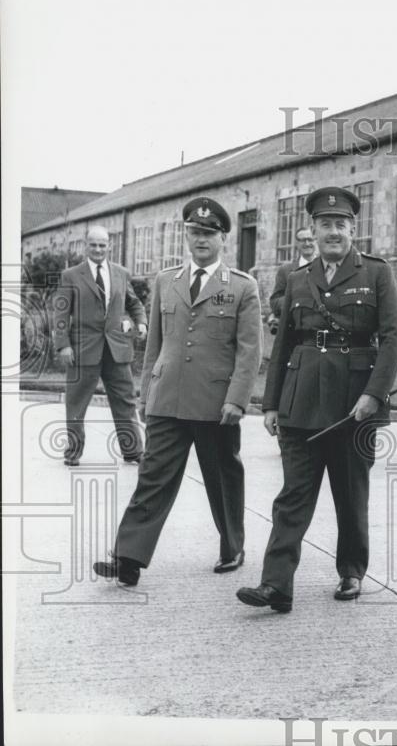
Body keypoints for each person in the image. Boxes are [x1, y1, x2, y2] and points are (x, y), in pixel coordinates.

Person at [237, 186, 397, 613]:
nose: (333, 232)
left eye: (341, 225)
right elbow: (286, 345)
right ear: (312, 229)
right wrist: (271, 403)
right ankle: (276, 586)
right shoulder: (297, 279)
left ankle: (351, 572)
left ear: (353, 229)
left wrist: (374, 394)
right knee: (292, 497)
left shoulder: (377, 274)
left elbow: (392, 339)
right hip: (301, 401)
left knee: (351, 496)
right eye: (325, 224)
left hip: (354, 406)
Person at [92, 198, 262, 586]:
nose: (201, 240)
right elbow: (156, 344)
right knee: (152, 477)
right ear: (187, 236)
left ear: (223, 239)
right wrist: (146, 391)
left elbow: (250, 351)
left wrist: (237, 399)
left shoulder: (241, 287)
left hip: (215, 402)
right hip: (167, 397)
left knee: (221, 478)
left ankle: (232, 546)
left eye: (209, 233)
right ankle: (128, 557)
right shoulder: (167, 281)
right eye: (195, 232)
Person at [51, 226, 147, 466]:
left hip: (116, 349)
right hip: (82, 349)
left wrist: (142, 323)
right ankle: (73, 452)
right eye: (93, 244)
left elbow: (134, 303)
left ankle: (133, 451)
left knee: (125, 401)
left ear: (109, 246)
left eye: (102, 245)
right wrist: (63, 345)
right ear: (86, 246)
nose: (98, 249)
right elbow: (61, 313)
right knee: (76, 403)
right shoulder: (71, 275)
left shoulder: (121, 273)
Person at [267, 227, 316, 332]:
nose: (307, 243)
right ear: (297, 244)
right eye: (303, 240)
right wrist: (296, 301)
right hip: (294, 327)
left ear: (315, 241)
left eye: (310, 239)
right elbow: (274, 301)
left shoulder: (325, 267)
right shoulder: (286, 270)